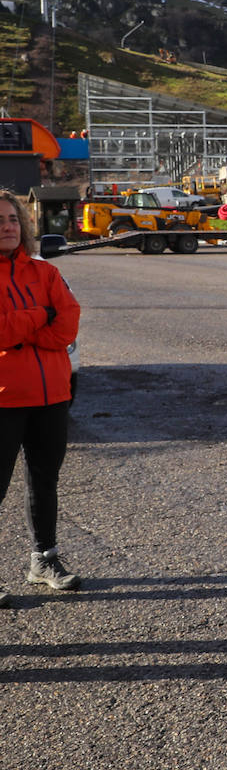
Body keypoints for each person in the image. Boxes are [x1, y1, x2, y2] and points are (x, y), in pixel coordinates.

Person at [0, 189, 82, 608]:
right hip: (3, 400)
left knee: (44, 481)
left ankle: (44, 560)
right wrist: (38, 315)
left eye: (13, 219)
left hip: (51, 396)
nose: (7, 227)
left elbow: (66, 326)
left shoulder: (44, 272)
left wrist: (21, 328)